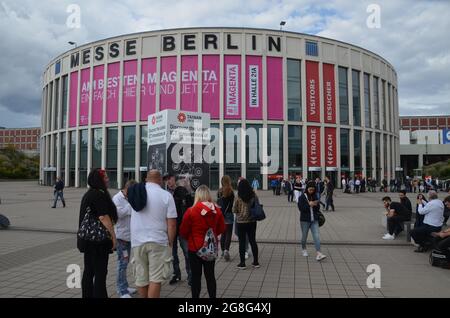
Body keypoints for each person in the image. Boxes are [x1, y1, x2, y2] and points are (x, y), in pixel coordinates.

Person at [130, 170, 177, 298]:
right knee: (155, 279)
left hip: (137, 241)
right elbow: (172, 223)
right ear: (160, 180)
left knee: (141, 278)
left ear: (146, 179)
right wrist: (170, 242)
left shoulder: (136, 193)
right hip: (158, 241)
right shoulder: (166, 195)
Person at [78, 169, 118, 298]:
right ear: (99, 180)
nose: (107, 179)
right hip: (98, 242)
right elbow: (103, 217)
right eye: (105, 177)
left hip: (88, 240)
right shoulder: (98, 194)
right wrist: (113, 236)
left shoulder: (89, 193)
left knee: (89, 271)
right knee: (100, 273)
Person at [179, 185, 225, 298]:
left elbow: (183, 231)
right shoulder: (217, 210)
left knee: (196, 276)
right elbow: (222, 228)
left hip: (194, 248)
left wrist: (190, 237)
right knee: (210, 276)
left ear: (197, 195)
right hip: (210, 248)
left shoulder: (191, 211)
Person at [113, 179, 138, 298]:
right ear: (128, 189)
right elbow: (118, 214)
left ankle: (125, 285)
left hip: (129, 236)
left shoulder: (128, 198)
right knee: (122, 263)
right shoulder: (117, 198)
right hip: (121, 237)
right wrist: (130, 207)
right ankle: (121, 290)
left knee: (126, 261)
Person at [169, 178, 194, 286]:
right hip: (176, 228)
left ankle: (186, 275)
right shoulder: (173, 195)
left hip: (178, 228)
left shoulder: (186, 197)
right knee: (178, 253)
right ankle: (181, 274)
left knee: (183, 253)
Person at [233, 178, 260, 269]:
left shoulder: (238, 196)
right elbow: (257, 206)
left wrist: (239, 213)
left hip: (241, 222)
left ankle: (242, 263)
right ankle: (255, 262)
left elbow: (234, 209)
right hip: (252, 221)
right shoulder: (253, 195)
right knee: (253, 241)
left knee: (242, 242)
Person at [297, 182, 327, 261]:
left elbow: (317, 208)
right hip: (305, 221)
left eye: (313, 190)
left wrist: (315, 204)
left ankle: (319, 253)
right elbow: (301, 209)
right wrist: (309, 204)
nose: (311, 191)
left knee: (316, 236)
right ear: (307, 189)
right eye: (310, 190)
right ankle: (304, 249)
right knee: (304, 237)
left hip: (314, 220)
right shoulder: (302, 197)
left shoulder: (315, 196)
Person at [217, 175, 235, 262]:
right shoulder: (231, 191)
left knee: (223, 234)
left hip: (221, 214)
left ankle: (222, 251)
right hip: (229, 214)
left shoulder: (219, 191)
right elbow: (232, 204)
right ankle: (226, 250)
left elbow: (218, 203)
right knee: (228, 233)